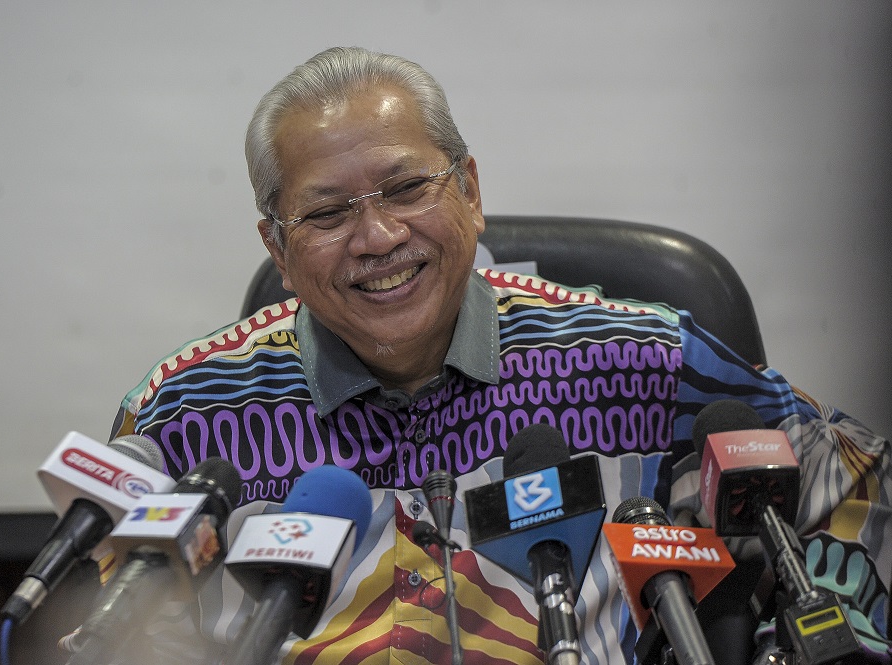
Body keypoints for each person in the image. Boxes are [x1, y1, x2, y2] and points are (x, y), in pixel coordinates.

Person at [108, 47, 890, 664]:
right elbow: (113, 626)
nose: (377, 237)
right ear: (278, 248)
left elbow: (857, 486)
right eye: (325, 212)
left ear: (470, 191)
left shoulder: (645, 361)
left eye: (407, 187)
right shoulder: (184, 412)